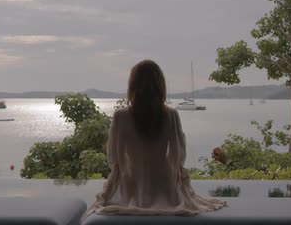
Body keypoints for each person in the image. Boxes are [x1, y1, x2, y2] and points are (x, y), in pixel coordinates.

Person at [82, 60, 225, 221]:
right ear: (160, 86)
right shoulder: (171, 115)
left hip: (132, 183)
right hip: (164, 183)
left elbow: (113, 158)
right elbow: (179, 156)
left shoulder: (121, 116)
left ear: (132, 86)